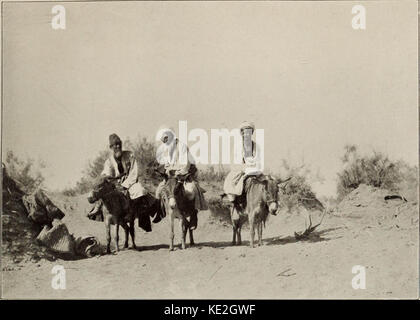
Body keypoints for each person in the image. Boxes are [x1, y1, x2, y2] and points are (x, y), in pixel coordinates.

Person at [155, 128, 208, 230]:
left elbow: (185, 164)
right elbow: (166, 164)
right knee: (158, 191)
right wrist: (166, 170)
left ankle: (193, 215)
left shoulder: (182, 146)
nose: (165, 141)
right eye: (164, 140)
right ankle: (160, 212)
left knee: (192, 191)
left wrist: (178, 172)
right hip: (171, 177)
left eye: (166, 138)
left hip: (184, 175)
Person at [89, 133, 147, 217]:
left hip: (130, 183)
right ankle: (98, 209)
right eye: (115, 145)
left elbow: (134, 172)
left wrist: (125, 185)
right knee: (102, 190)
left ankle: (138, 212)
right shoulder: (109, 161)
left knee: (140, 190)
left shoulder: (130, 155)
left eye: (119, 144)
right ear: (111, 147)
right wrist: (108, 179)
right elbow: (106, 173)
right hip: (115, 185)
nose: (117, 146)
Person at [223, 121, 264, 207]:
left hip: (254, 169)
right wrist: (243, 167)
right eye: (245, 133)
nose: (247, 135)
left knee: (267, 184)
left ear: (252, 133)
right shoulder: (237, 146)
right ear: (242, 133)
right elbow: (234, 162)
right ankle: (234, 204)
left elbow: (258, 160)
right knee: (230, 183)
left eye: (249, 133)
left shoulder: (257, 146)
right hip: (240, 169)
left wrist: (254, 166)